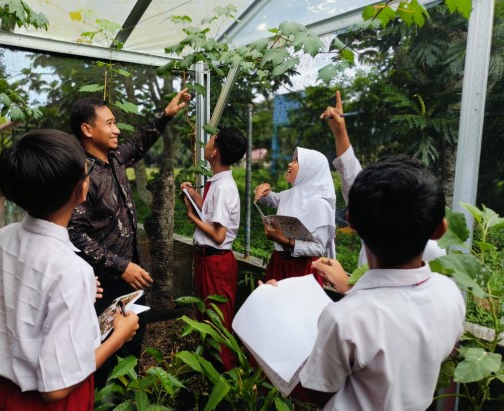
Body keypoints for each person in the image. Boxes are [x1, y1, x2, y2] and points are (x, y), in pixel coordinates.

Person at [0, 129, 139, 411]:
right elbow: (56, 388)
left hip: (9, 393)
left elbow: (10, 302)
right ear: (80, 191)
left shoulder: (3, 238)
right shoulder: (70, 269)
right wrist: (118, 337)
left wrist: (77, 294)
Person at [295, 155, 466, 411]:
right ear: (439, 229)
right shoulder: (450, 294)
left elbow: (317, 391)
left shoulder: (344, 319)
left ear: (350, 221)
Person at [68, 89, 191, 388]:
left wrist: (166, 115)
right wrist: (120, 266)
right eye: (109, 123)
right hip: (102, 282)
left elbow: (138, 143)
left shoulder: (115, 159)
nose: (117, 130)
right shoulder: (81, 174)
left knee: (133, 342)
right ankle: (103, 405)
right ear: (87, 129)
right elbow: (74, 233)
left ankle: (129, 400)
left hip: (131, 275)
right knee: (104, 348)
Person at [322, 90, 446, 267]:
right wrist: (340, 132)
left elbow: (355, 184)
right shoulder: (438, 259)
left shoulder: (373, 228)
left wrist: (345, 284)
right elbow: (354, 182)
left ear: (352, 219)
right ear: (440, 229)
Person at [180, 128, 248, 371]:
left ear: (215, 151)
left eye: (210, 140)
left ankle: (224, 375)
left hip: (216, 262)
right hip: (208, 260)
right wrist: (193, 196)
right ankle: (210, 371)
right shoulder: (217, 182)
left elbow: (219, 236)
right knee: (206, 316)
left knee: (217, 321)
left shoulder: (224, 187)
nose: (206, 144)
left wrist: (192, 216)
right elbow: (210, 216)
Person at [254, 148, 336, 282]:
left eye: (296, 161)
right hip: (279, 263)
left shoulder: (321, 204)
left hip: (302, 269)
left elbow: (318, 248)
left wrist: (284, 240)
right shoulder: (290, 194)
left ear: (309, 169)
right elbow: (267, 198)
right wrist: (264, 186)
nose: (290, 164)